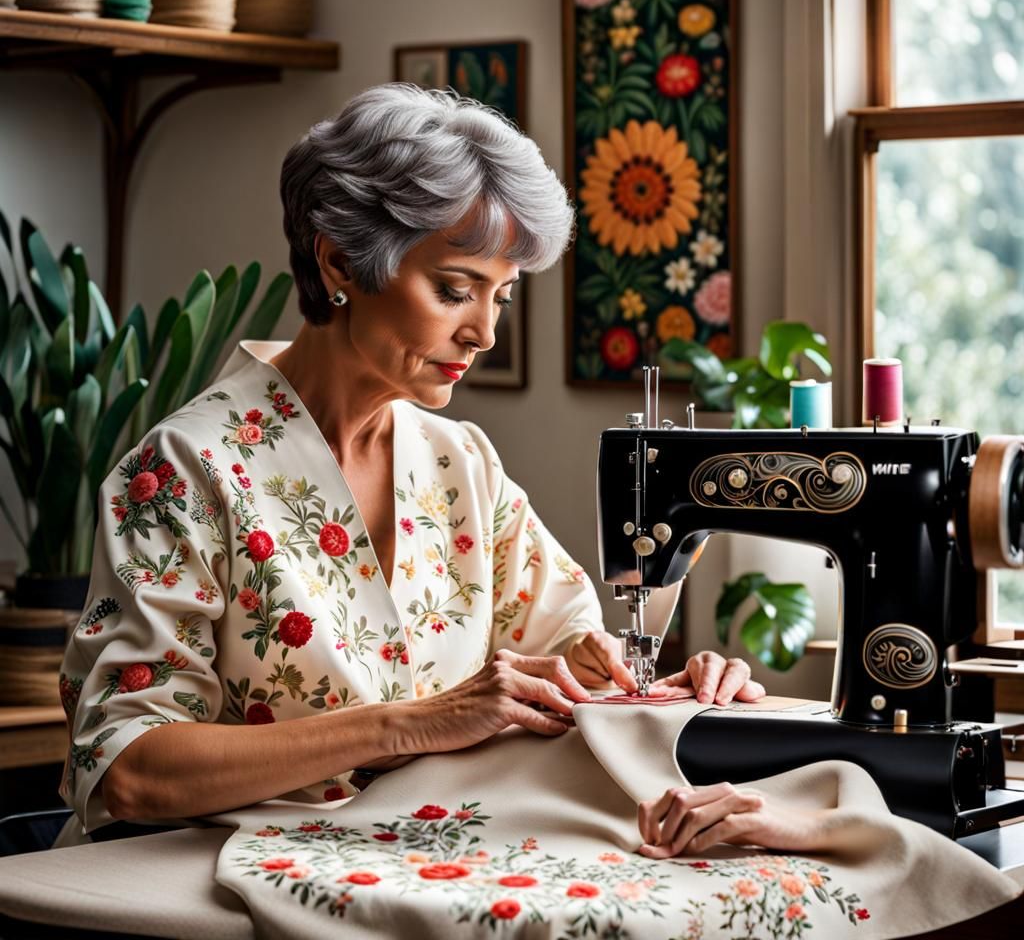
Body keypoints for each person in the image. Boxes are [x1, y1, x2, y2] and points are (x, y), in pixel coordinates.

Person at [58, 84, 764, 843]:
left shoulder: (462, 464)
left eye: (503, 296)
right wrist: (405, 726)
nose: (484, 333)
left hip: (416, 863)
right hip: (199, 885)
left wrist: (644, 684)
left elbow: (564, 653)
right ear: (340, 262)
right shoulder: (183, 471)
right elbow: (127, 764)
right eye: (455, 290)